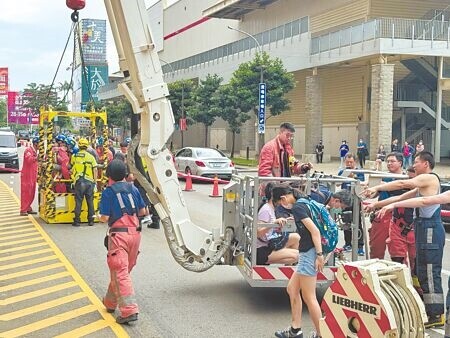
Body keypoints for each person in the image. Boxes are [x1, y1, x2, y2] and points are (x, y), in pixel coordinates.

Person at [365, 151, 444, 328]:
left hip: (430, 228)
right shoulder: (421, 186)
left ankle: (437, 313)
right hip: (422, 227)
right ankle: (427, 307)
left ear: (426, 164)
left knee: (430, 271)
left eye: (416, 162)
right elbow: (400, 197)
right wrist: (377, 205)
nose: (413, 165)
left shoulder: (430, 179)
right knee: (420, 270)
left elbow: (402, 183)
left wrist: (377, 188)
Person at [99, 159, 147, 325]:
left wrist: (99, 217)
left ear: (109, 175)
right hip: (136, 235)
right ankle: (110, 303)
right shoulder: (133, 188)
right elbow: (143, 211)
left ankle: (129, 311)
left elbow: (105, 217)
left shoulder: (108, 192)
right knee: (122, 271)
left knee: (120, 271)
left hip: (119, 236)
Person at [272, 185, 324, 338]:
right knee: (292, 289)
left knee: (309, 297)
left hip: (310, 253)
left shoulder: (298, 207)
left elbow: (315, 231)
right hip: (307, 252)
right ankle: (295, 330)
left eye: (280, 202)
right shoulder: (305, 202)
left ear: (283, 198)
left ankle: (322, 334)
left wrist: (319, 254)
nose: (282, 205)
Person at [364, 152, 412, 262]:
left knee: (398, 253)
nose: (389, 163)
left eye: (392, 161)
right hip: (381, 215)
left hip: (399, 218)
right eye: (388, 161)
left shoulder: (406, 179)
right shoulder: (382, 177)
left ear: (400, 163)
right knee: (376, 249)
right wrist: (370, 190)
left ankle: (400, 276)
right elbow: (374, 194)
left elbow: (402, 197)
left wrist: (381, 185)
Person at [256, 182, 300, 265]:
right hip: (263, 249)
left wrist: (285, 221)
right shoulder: (266, 209)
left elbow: (271, 231)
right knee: (297, 256)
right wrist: (273, 224)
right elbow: (258, 233)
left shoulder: (271, 208)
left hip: (270, 243)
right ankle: (288, 270)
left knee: (296, 237)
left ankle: (289, 269)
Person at [338, 153, 365, 256]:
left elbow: (363, 183)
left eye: (351, 162)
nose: (349, 164)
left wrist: (354, 176)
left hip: (356, 200)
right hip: (344, 201)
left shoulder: (359, 171)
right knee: (346, 223)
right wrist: (344, 177)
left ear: (355, 162)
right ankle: (348, 243)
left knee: (357, 223)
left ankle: (360, 246)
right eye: (347, 162)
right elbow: (336, 182)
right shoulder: (342, 171)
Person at [70, 138, 98, 227]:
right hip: (90, 182)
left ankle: (77, 221)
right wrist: (95, 182)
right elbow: (95, 170)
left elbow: (70, 166)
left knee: (78, 201)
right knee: (90, 202)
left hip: (79, 182)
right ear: (87, 146)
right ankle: (91, 220)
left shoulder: (74, 156)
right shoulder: (91, 157)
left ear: (79, 146)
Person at [20, 136, 39, 216]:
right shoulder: (28, 150)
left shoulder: (34, 152)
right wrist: (37, 158)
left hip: (33, 175)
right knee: (26, 192)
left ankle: (28, 208)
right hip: (27, 176)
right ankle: (23, 209)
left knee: (32, 192)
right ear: (36, 144)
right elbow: (29, 160)